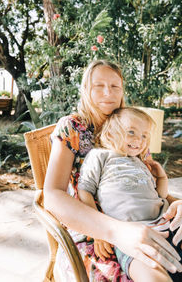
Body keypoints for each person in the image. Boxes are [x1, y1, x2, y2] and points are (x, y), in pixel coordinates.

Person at [43, 60, 182, 281]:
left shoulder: (132, 126)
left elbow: (145, 186)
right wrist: (104, 231)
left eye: (115, 86)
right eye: (98, 85)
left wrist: (176, 203)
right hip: (94, 229)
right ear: (86, 90)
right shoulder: (73, 127)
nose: (108, 92)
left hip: (148, 219)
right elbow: (52, 196)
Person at [78, 107, 182, 281]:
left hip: (167, 224)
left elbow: (160, 196)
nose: (139, 140)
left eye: (144, 135)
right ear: (110, 134)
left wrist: (162, 177)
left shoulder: (140, 162)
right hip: (131, 236)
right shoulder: (100, 156)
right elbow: (85, 191)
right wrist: (97, 231)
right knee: (152, 275)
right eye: (131, 132)